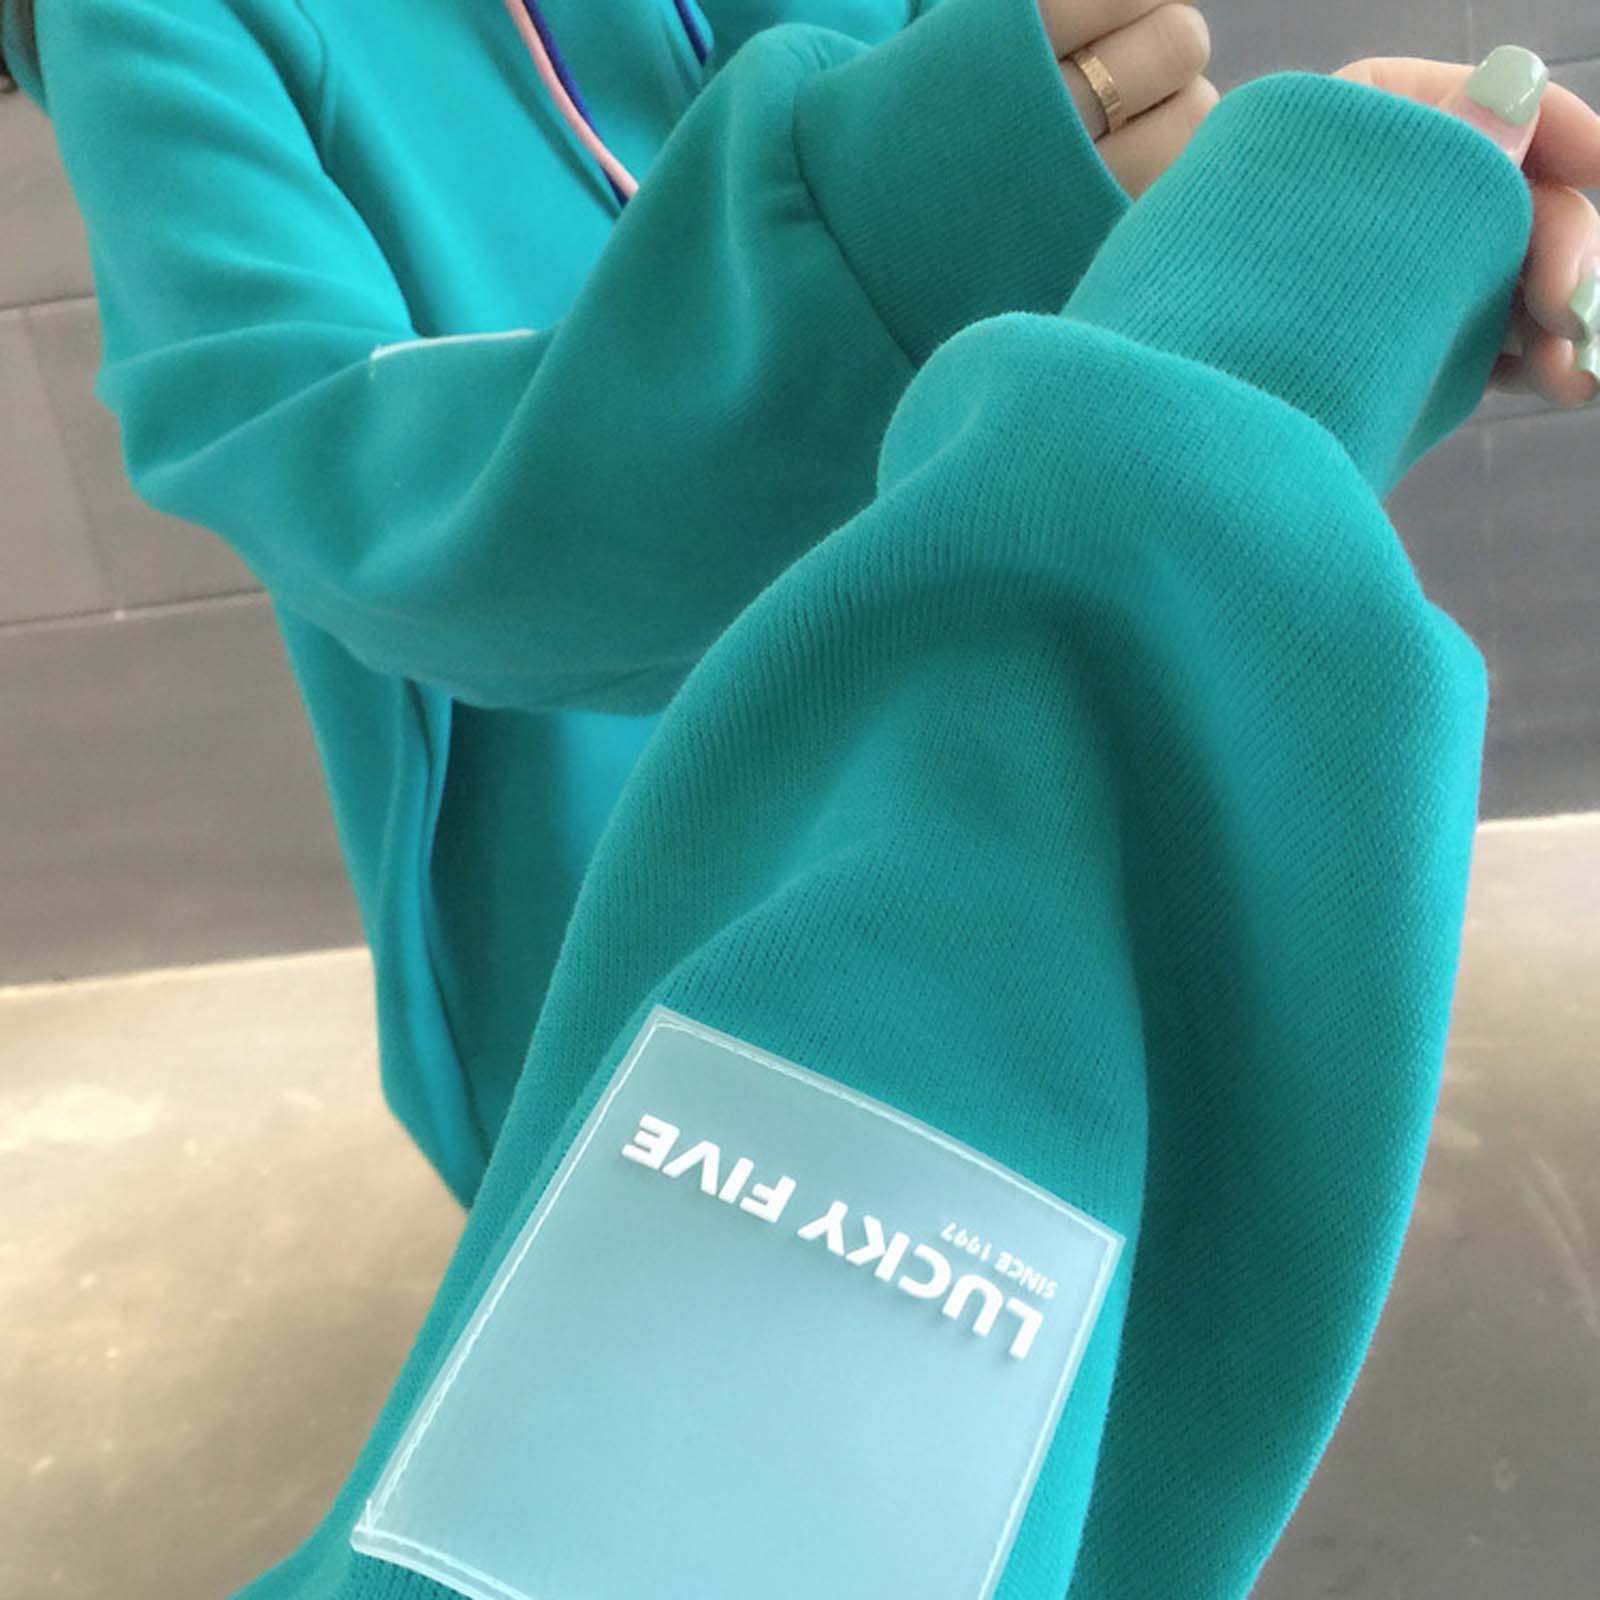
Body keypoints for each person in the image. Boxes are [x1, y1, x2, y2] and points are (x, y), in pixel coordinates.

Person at [4, 1, 1598, 1596]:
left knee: (1037, 1385)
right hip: (580, 840)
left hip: (977, 754)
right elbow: (342, 470)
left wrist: (1264, 254)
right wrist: (1169, 301)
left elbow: (1041, 275)